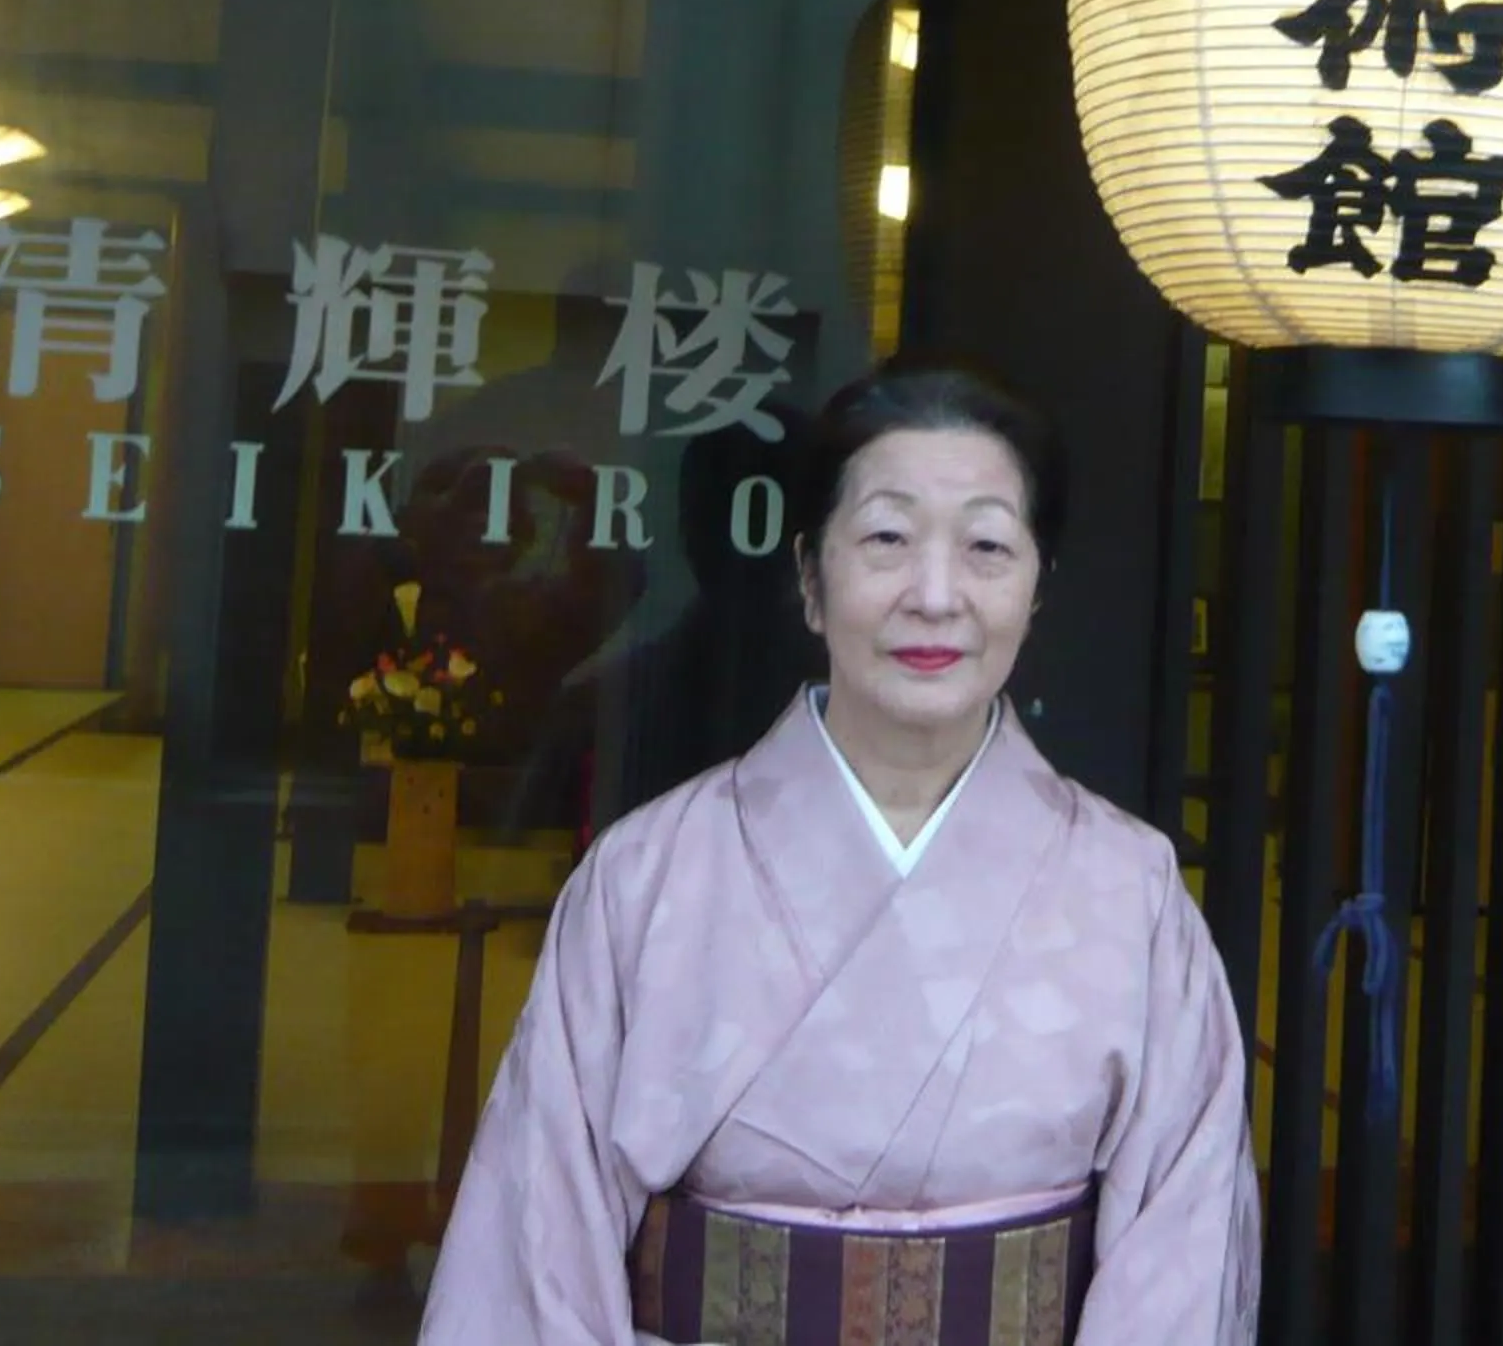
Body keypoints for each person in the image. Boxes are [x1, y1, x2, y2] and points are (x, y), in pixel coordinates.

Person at [421, 358, 1262, 1346]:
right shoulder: (647, 876)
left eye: (988, 545)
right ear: (811, 580)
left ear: (1036, 592)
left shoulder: (1134, 891)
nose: (937, 594)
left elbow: (1182, 1256)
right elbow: (537, 1245)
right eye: (887, 539)